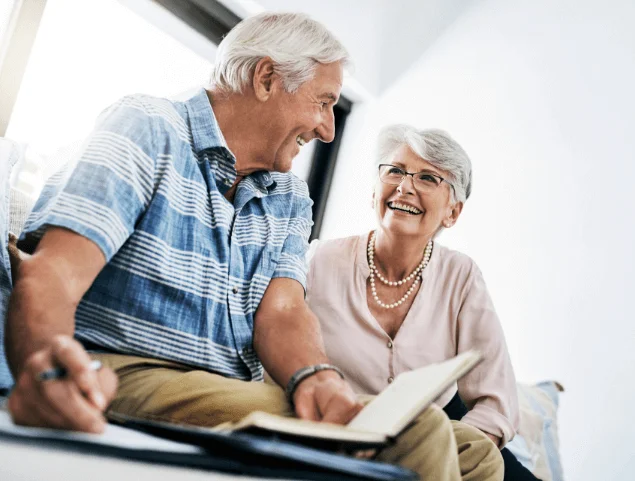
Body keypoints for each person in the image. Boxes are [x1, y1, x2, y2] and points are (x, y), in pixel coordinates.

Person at [4, 13, 502, 480]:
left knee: (476, 453)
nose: (328, 129)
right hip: (127, 369)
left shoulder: (288, 195)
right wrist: (44, 369)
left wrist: (315, 378)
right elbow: (54, 272)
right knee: (419, 431)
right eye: (324, 101)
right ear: (266, 79)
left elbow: (283, 311)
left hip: (226, 389)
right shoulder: (149, 127)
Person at [306, 124, 539, 480]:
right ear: (373, 191)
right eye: (395, 170)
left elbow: (495, 398)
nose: (405, 186)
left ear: (453, 212)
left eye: (428, 178)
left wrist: (449, 455)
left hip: (437, 425)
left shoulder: (461, 275)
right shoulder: (319, 260)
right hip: (341, 427)